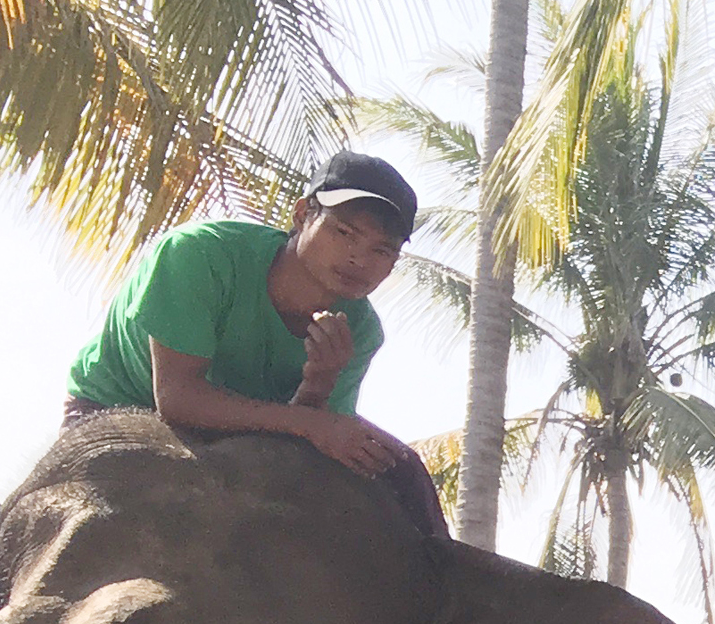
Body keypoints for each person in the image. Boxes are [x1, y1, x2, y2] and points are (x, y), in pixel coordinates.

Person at [62, 149, 446, 537]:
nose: (358, 259)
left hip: (242, 439)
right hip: (116, 414)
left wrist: (318, 386)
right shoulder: (199, 255)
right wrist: (310, 420)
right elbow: (177, 400)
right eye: (344, 233)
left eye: (382, 250)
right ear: (301, 215)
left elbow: (306, 437)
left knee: (404, 468)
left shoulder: (360, 329)